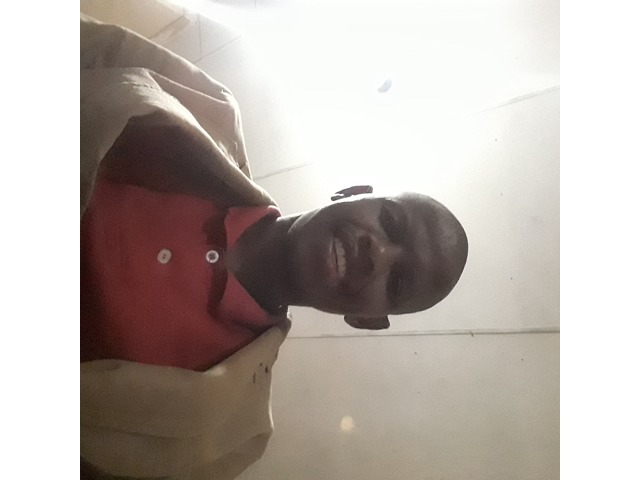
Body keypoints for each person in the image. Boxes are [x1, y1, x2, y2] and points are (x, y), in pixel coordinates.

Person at [80, 14, 468, 480]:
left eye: (397, 282)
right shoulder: (207, 106)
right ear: (351, 190)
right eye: (389, 221)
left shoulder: (227, 436)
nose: (378, 254)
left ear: (367, 320)